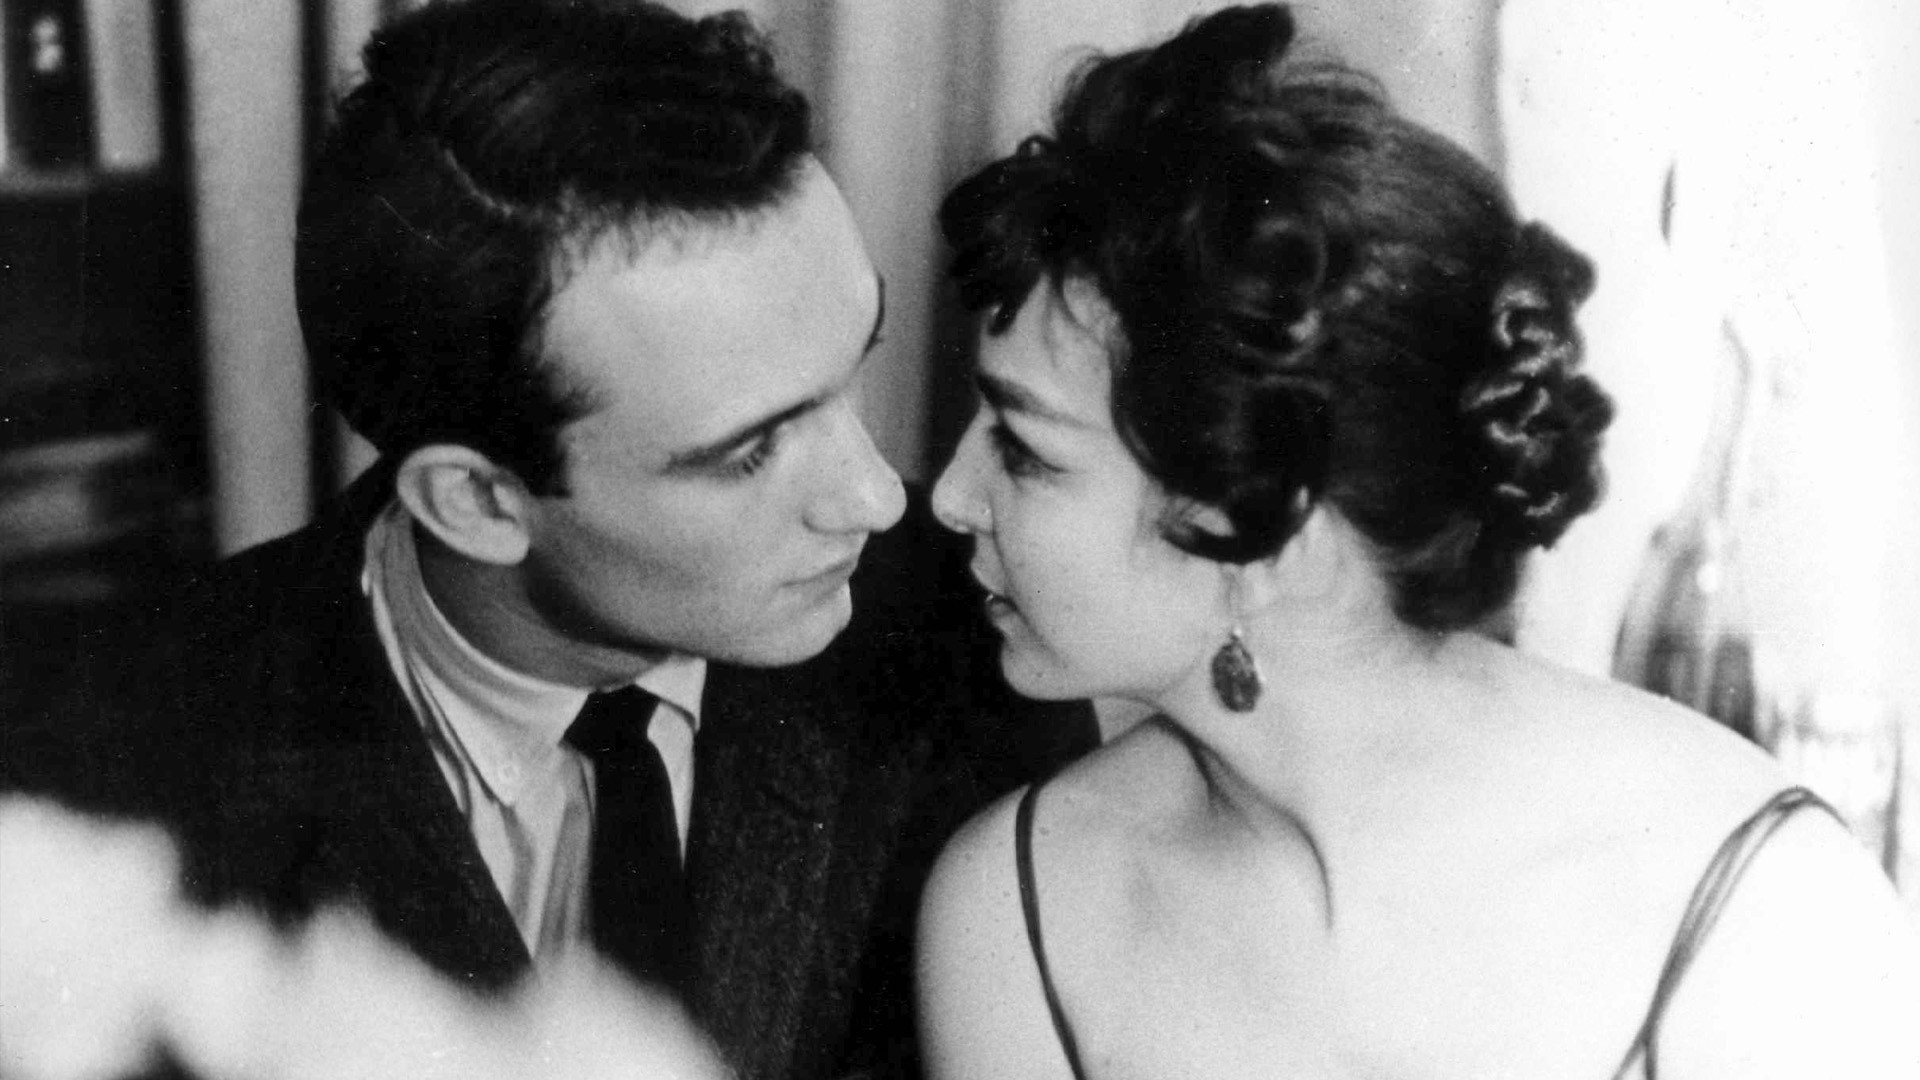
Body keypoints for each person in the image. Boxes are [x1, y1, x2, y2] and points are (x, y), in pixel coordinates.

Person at [2, 3, 1091, 1079]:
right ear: (477, 502)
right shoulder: (96, 799)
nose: (878, 497)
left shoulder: (974, 644)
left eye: (851, 369)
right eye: (752, 452)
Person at [916, 6, 1920, 1079]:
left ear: (1267, 534)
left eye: (1023, 447)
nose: (950, 497)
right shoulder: (1020, 913)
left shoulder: (1757, 917)